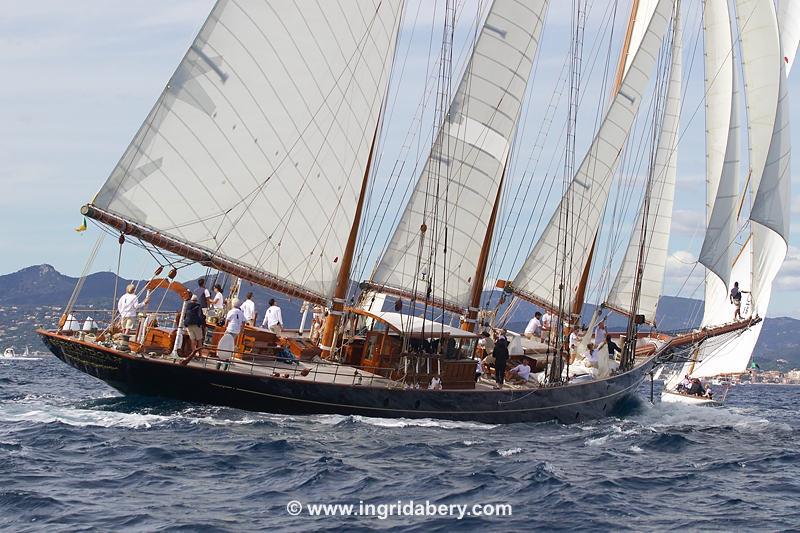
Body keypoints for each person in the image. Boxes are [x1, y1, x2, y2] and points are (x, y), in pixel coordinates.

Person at [218, 298, 245, 370]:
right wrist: (241, 330)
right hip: (236, 331)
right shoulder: (241, 312)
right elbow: (243, 322)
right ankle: (227, 359)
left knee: (224, 343)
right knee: (231, 344)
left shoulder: (231, 311)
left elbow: (226, 321)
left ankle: (221, 358)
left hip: (230, 329)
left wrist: (225, 326)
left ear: (233, 304)